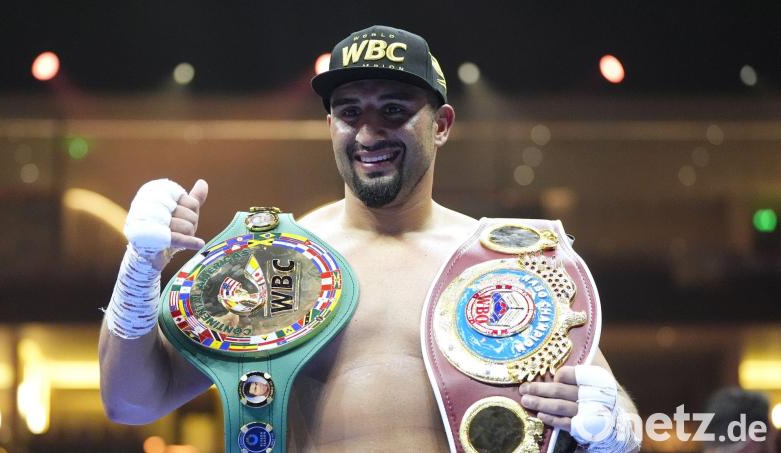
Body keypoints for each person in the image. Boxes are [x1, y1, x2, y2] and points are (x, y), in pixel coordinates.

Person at [99, 25, 639, 452]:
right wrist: (142, 266)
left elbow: (612, 413)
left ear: (442, 124)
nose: (368, 133)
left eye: (394, 110)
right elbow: (129, 402)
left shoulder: (503, 265)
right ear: (329, 124)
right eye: (349, 112)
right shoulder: (269, 261)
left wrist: (612, 426)